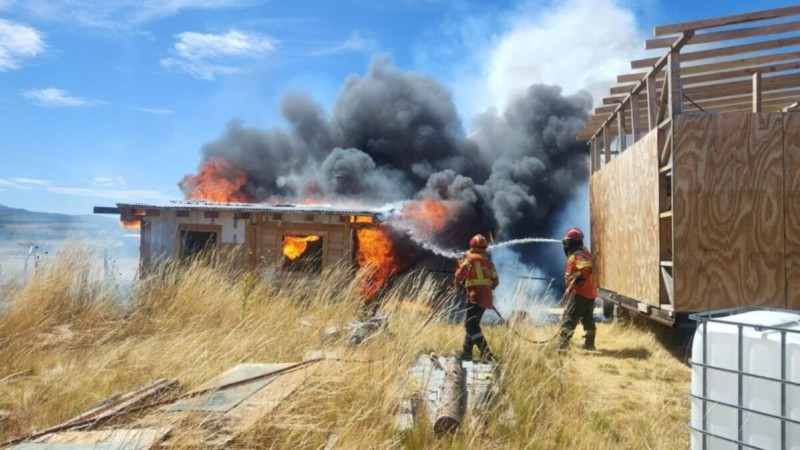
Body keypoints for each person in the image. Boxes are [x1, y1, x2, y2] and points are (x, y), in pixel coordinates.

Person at [454, 234, 500, 362]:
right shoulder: (490, 264)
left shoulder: (470, 260)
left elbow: (459, 273)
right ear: (485, 248)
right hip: (486, 299)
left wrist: (457, 284)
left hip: (475, 297)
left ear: (472, 247)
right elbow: (496, 282)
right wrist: (487, 288)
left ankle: (486, 354)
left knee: (471, 325)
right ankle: (467, 353)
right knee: (472, 324)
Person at [559, 227, 598, 351]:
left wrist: (575, 282)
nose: (566, 245)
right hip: (589, 292)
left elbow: (586, 270)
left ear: (574, 242)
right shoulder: (582, 251)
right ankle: (589, 344)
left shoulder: (578, 254)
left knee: (570, 318)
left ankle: (562, 345)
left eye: (568, 242)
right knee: (588, 319)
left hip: (580, 293)